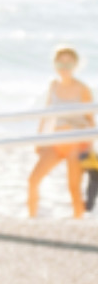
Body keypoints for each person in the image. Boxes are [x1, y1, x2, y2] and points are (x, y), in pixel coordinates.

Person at [29, 46, 94, 218]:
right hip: (56, 142)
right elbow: (46, 114)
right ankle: (31, 220)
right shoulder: (53, 86)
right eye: (60, 63)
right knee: (33, 180)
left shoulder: (83, 89)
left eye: (68, 63)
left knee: (73, 188)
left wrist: (88, 147)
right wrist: (39, 140)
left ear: (75, 65)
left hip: (75, 144)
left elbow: (90, 121)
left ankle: (78, 224)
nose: (64, 68)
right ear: (55, 64)